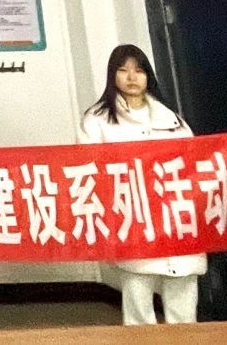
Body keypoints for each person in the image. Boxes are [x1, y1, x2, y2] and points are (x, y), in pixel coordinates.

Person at [78, 44, 204, 326]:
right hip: (132, 215)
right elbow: (88, 167)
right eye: (123, 70)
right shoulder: (97, 120)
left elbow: (196, 158)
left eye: (139, 70)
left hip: (175, 215)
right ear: (113, 76)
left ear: (148, 76)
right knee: (138, 293)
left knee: (183, 288)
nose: (132, 77)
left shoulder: (171, 117)